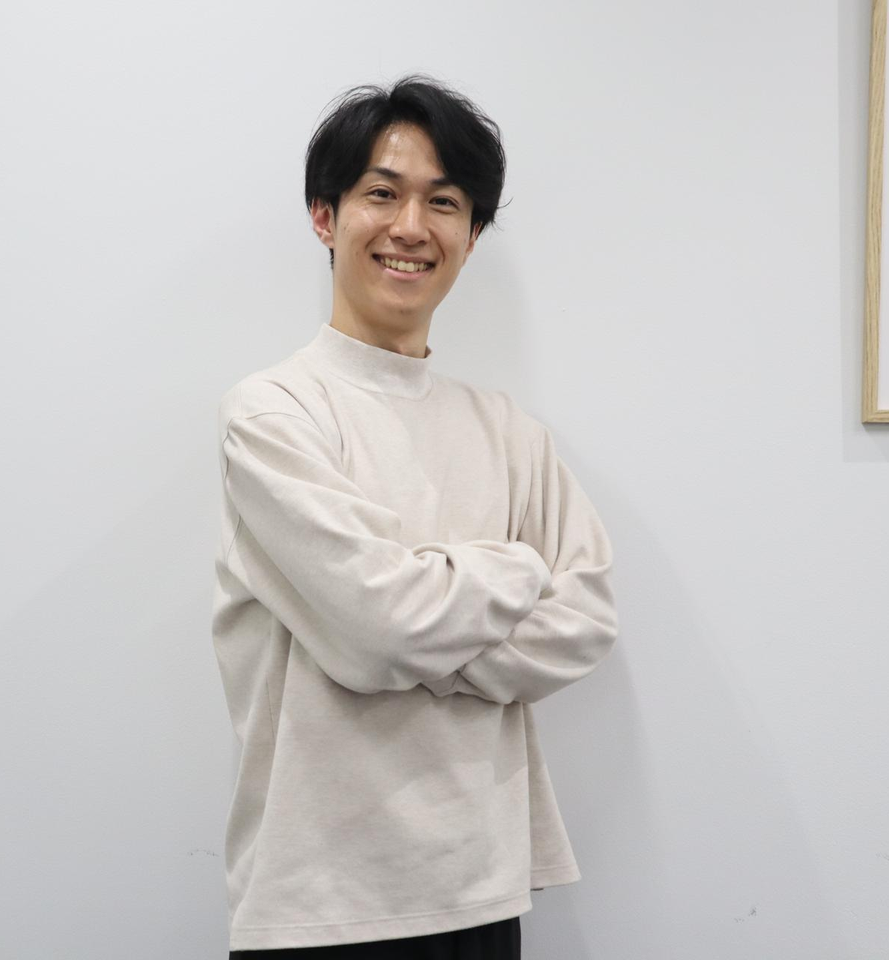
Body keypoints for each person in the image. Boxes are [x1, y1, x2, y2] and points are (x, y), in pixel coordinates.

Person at [211, 74, 620, 958]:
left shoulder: (508, 431)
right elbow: (378, 629)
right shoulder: (274, 414)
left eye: (444, 202)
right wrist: (515, 569)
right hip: (319, 905)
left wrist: (407, 622)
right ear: (324, 216)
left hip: (483, 889)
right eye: (381, 193)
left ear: (471, 236)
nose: (410, 227)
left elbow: (586, 618)